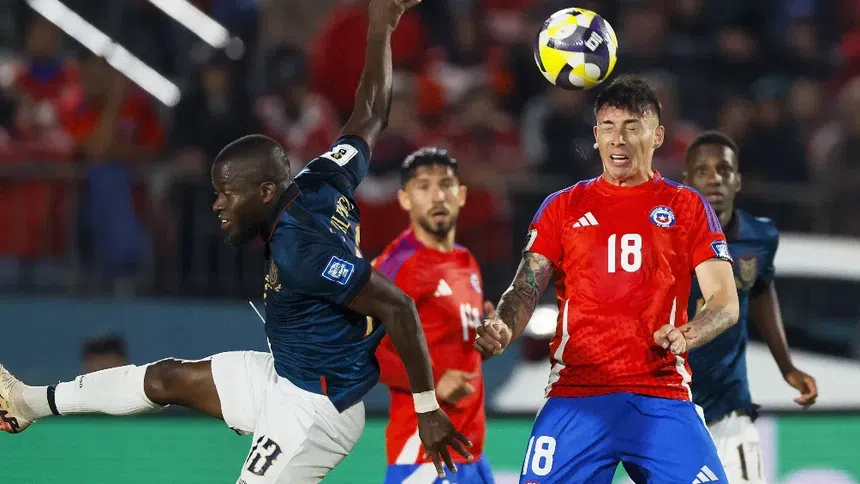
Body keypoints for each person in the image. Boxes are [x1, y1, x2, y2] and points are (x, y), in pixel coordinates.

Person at [0, 0, 472, 481]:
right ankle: (26, 402)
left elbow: (398, 306)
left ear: (266, 192)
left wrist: (427, 407)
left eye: (227, 194)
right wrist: (381, 22)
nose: (217, 206)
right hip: (284, 374)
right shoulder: (322, 178)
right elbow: (369, 112)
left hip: (318, 408)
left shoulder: (301, 252)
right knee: (165, 379)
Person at [473, 75, 740, 484]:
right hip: (576, 394)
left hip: (661, 394)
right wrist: (503, 327)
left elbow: (724, 301)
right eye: (609, 127)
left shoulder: (686, 206)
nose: (619, 139)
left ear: (657, 136)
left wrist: (688, 333)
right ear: (596, 136)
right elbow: (526, 286)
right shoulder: (562, 206)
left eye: (632, 127)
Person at [682, 131, 818, 483]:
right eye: (702, 171)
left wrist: (787, 367)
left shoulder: (760, 236)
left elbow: (761, 289)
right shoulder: (664, 238)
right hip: (671, 406)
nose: (714, 178)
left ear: (738, 181)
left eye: (723, 170)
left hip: (730, 407)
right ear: (686, 182)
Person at [374, 147, 495, 483]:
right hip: (424, 455)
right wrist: (435, 382)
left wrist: (486, 336)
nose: (437, 196)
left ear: (462, 195)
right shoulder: (398, 265)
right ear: (404, 199)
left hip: (471, 453)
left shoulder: (465, 260)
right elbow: (360, 348)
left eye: (445, 184)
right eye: (423, 186)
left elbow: (452, 344)